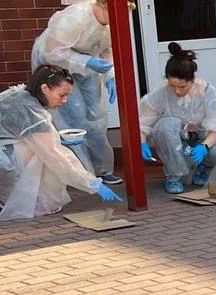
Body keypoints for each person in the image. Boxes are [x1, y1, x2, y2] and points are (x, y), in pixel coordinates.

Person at [0, 65, 124, 220]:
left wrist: (58, 139)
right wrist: (91, 183)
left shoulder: (22, 95)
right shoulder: (31, 110)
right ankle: (7, 199)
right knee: (41, 156)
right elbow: (54, 155)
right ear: (45, 89)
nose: (65, 101)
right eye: (62, 95)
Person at [31, 0, 129, 186]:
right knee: (73, 117)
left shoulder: (109, 25)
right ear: (104, 6)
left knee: (97, 115)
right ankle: (81, 173)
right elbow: (52, 52)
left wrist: (111, 75)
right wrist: (86, 61)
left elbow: (107, 50)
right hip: (57, 66)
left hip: (86, 66)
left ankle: (102, 170)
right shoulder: (76, 17)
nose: (120, 20)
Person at [138, 43, 216, 194]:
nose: (177, 91)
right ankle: (174, 174)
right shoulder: (160, 93)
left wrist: (204, 146)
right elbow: (143, 121)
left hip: (202, 138)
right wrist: (141, 141)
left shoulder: (207, 92)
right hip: (177, 139)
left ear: (192, 79)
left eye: (182, 87)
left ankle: (205, 168)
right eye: (172, 86)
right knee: (165, 125)